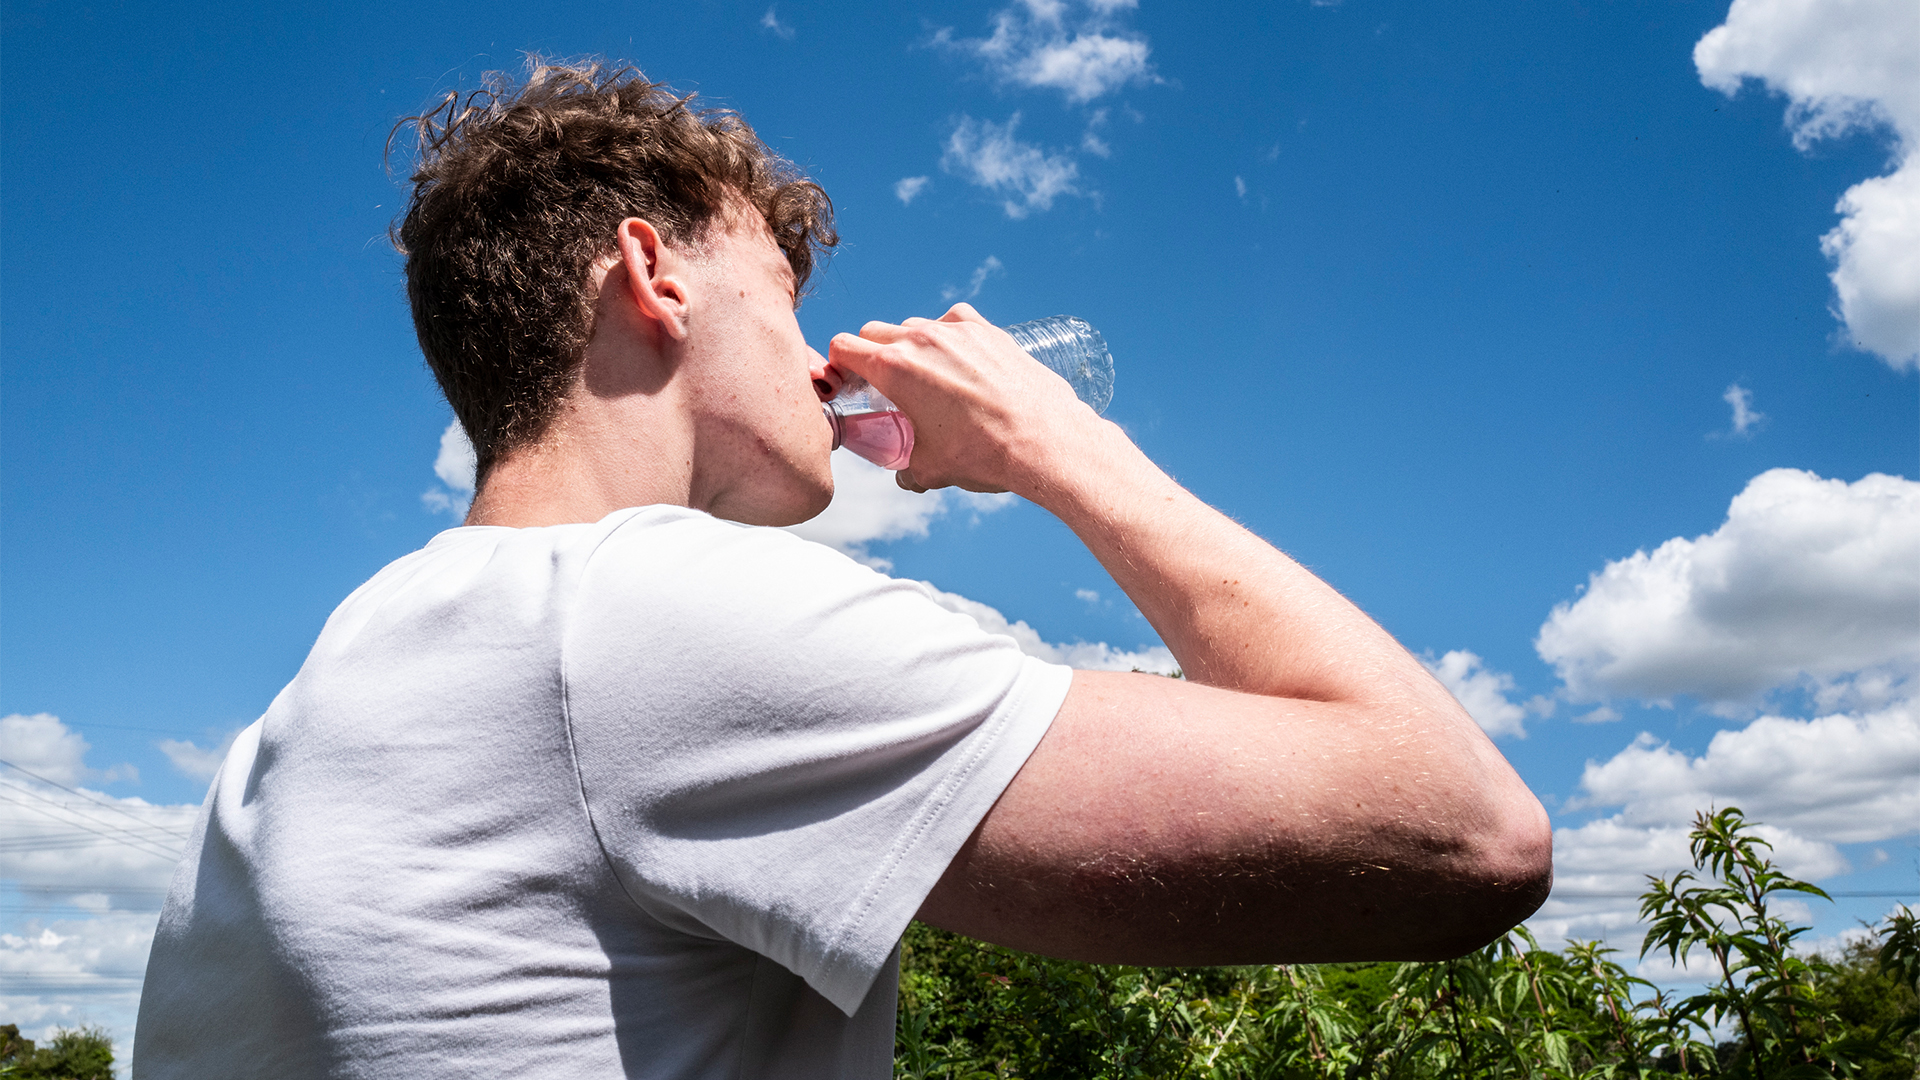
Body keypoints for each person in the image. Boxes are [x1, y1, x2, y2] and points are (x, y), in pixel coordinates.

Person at [133, 60, 1551, 1078]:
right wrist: (1064, 446)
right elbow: (1464, 832)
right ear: (655, 276)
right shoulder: (643, 614)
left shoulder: (314, 706)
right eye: (784, 294)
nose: (823, 360)